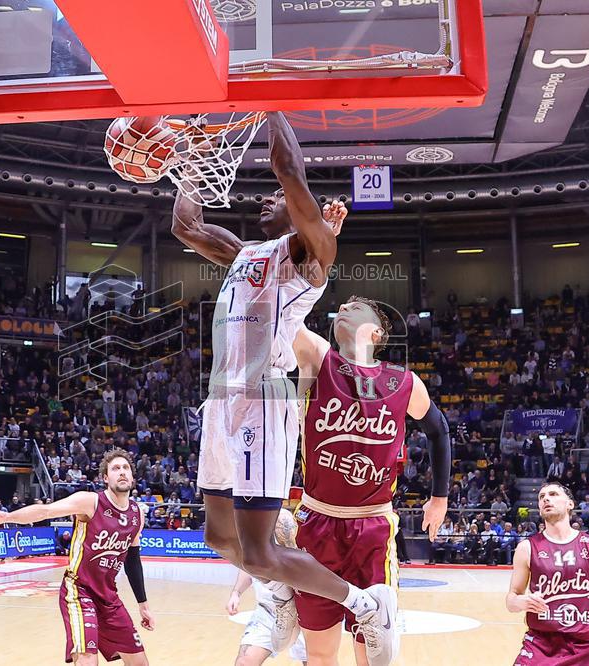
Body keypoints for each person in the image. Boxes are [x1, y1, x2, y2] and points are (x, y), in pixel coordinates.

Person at [172, 111, 396, 664]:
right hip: (221, 400)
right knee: (219, 540)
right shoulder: (246, 253)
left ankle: (364, 605)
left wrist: (269, 105)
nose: (265, 200)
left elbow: (290, 170)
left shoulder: (308, 258)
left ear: (304, 213)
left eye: (275, 198)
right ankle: (283, 595)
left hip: (262, 404)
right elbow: (187, 227)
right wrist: (183, 162)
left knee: (261, 550)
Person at [290, 296, 451, 664]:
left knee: (375, 654)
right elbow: (282, 315)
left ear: (377, 333)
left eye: (356, 307)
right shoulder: (318, 356)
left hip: (373, 527)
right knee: (319, 653)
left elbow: (440, 431)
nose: (344, 307)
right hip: (317, 522)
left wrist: (439, 497)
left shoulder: (404, 382)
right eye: (341, 307)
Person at [0, 449, 155, 665]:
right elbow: (46, 511)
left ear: (132, 477)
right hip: (79, 590)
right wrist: (8, 517)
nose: (121, 472)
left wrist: (143, 604)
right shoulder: (90, 502)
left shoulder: (137, 514)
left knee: (141, 662)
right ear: (105, 478)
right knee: (86, 659)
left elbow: (132, 560)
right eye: (115, 468)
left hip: (109, 596)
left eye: (125, 468)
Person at [506, 482, 589, 665]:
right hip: (540, 644)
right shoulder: (526, 548)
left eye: (553, 494)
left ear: (570, 504)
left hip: (584, 647)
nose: (546, 499)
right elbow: (511, 600)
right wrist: (519, 601)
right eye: (541, 497)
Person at [226, 510, 307, 666]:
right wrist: (236, 593)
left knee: (314, 662)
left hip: (301, 611)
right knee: (244, 661)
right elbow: (248, 566)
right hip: (268, 611)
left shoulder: (282, 519)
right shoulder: (249, 526)